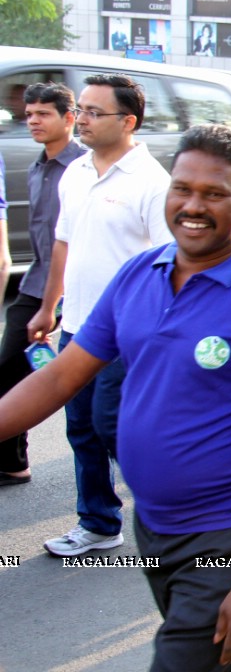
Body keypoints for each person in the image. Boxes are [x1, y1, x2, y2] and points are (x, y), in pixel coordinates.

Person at [0, 124, 231, 671]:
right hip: (155, 524)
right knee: (219, 659)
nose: (193, 205)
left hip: (228, 533)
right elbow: (58, 378)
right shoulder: (138, 274)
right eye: (183, 188)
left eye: (215, 193)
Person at [31, 74, 172, 557]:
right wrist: (49, 307)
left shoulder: (153, 184)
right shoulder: (76, 172)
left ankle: (172, 513)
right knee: (81, 429)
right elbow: (63, 246)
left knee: (115, 427)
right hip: (77, 328)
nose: (82, 119)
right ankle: (98, 522)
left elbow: (169, 264)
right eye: (81, 110)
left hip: (126, 335)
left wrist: (153, 335)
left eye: (94, 112)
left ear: (128, 121)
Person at [0, 84, 84, 488]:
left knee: (90, 398)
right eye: (29, 113)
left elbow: (70, 244)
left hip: (70, 291)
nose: (33, 120)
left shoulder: (82, 169)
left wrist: (52, 306)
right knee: (11, 371)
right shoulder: (38, 166)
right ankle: (12, 460)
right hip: (36, 281)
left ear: (69, 118)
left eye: (43, 114)